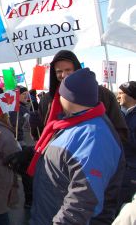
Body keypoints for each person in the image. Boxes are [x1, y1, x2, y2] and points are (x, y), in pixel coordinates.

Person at [29, 68, 125, 224]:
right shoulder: (73, 124)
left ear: (70, 98)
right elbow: (62, 163)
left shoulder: (94, 136)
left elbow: (83, 201)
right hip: (46, 214)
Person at [37, 50, 128, 142]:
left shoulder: (103, 94)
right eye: (59, 71)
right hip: (58, 152)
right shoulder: (47, 99)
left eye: (68, 70)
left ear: (77, 69)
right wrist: (35, 127)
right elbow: (43, 135)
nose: (64, 75)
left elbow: (120, 131)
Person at [116, 81, 136, 208]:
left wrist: (123, 131)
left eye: (121, 93)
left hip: (132, 173)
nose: (118, 96)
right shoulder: (118, 114)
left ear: (131, 96)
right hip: (118, 171)